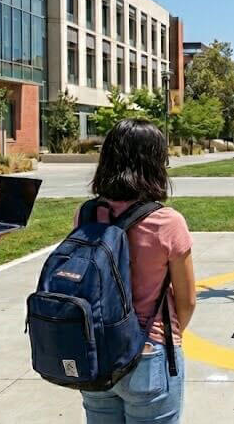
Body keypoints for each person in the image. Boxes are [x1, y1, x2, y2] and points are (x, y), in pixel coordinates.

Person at [80, 119, 197, 424]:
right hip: (147, 349)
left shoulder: (88, 213)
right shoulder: (167, 222)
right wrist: (163, 333)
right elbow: (187, 301)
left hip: (97, 352)